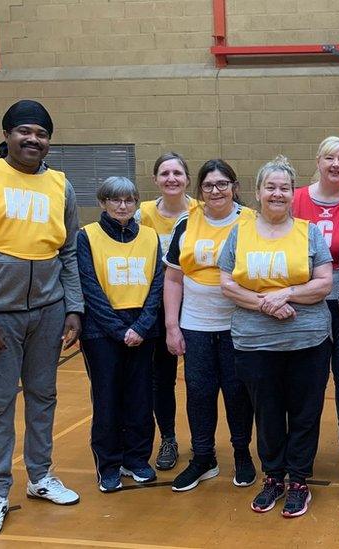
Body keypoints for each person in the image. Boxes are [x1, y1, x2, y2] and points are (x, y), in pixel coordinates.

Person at [0, 99, 83, 539]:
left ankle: (41, 477)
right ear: (7, 135)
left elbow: (69, 254)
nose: (33, 140)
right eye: (25, 131)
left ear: (49, 142)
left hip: (47, 313)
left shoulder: (61, 187)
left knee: (43, 397)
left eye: (42, 134)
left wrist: (74, 308)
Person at [220, 156, 333, 518]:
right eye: (270, 187)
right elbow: (227, 283)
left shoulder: (309, 231)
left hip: (308, 342)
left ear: (293, 193)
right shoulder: (240, 231)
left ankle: (298, 479)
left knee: (304, 413)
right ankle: (273, 477)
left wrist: (285, 294)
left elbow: (324, 282)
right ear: (257, 192)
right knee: (267, 414)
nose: (277, 193)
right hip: (255, 344)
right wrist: (265, 304)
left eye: (284, 187)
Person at [163, 159, 256, 493]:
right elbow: (173, 278)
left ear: (234, 186)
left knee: (237, 393)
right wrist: (172, 326)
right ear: (199, 190)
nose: (216, 191)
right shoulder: (187, 223)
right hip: (195, 325)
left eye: (222, 184)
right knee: (199, 393)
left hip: (239, 325)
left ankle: (243, 454)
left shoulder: (250, 221)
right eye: (208, 185)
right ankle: (203, 458)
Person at [77, 177, 164, 492]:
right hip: (102, 331)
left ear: (137, 202)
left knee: (140, 397)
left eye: (129, 200)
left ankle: (137, 459)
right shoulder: (86, 237)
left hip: (143, 328)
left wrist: (141, 326)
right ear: (103, 203)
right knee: (107, 399)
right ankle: (109, 465)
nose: (122, 206)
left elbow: (157, 284)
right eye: (115, 200)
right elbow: (90, 287)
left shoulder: (152, 237)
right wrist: (118, 329)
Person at [291, 136, 339, 473]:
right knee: (310, 376)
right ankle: (301, 441)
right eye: (329, 158)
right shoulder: (295, 200)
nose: (336, 165)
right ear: (318, 161)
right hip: (308, 301)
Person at [136, 152, 198, 471]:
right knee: (162, 379)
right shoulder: (142, 214)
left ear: (187, 179)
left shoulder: (201, 212)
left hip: (199, 307)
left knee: (203, 379)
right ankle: (169, 439)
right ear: (156, 180)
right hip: (158, 309)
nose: (171, 178)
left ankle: (209, 444)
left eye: (177, 173)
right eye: (165, 173)